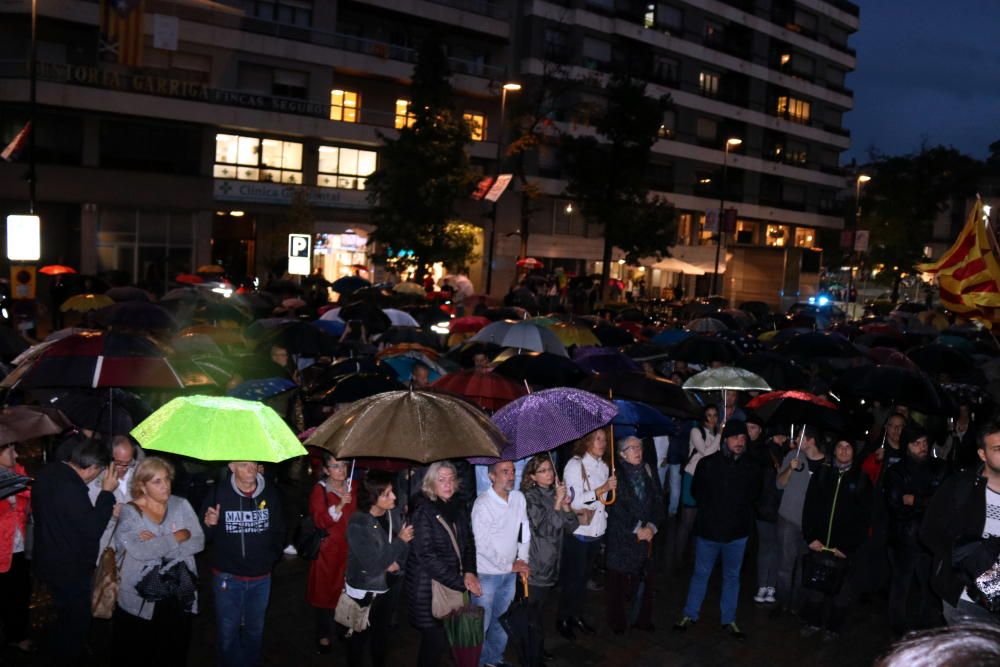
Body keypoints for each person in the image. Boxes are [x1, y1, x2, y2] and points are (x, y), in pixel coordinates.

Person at [32, 437, 117, 666]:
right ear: (91, 468)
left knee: (61, 615)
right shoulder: (73, 488)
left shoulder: (47, 473)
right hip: (70, 566)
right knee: (75, 621)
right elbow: (91, 529)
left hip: (47, 557)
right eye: (98, 472)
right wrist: (107, 494)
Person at [113, 457, 205, 666]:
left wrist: (158, 543)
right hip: (140, 598)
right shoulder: (130, 512)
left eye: (167, 479)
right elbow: (139, 551)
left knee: (173, 651)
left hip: (178, 592)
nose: (166, 486)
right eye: (157, 482)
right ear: (141, 486)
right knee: (139, 653)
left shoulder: (181, 505)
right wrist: (177, 537)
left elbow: (198, 541)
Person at [674, 420, 760, 640]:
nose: (739, 442)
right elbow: (696, 492)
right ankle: (689, 614)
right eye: (735, 438)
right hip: (709, 531)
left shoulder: (751, 466)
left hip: (737, 534)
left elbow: (754, 496)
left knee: (732, 577)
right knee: (700, 574)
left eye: (743, 438)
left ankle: (729, 619)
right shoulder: (708, 464)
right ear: (725, 440)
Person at [202, 461, 285, 667]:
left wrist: (269, 560)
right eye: (244, 465)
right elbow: (202, 538)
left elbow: (279, 530)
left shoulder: (270, 493)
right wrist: (208, 525)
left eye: (254, 464)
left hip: (261, 578)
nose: (251, 469)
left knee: (255, 630)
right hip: (227, 578)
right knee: (227, 631)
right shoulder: (217, 493)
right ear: (231, 467)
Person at [922, 420, 1000, 627]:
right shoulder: (960, 486)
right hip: (964, 597)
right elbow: (929, 532)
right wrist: (968, 559)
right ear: (982, 454)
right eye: (998, 449)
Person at [405, 461, 481, 667]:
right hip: (427, 590)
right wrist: (460, 582)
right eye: (441, 480)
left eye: (451, 479)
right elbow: (427, 557)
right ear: (430, 483)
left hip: (451, 585)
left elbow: (468, 544)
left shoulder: (459, 507)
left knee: (444, 641)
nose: (447, 484)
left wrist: (470, 572)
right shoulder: (423, 511)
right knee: (433, 643)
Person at [799, 439, 872, 639]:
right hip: (819, 544)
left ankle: (833, 627)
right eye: (840, 446)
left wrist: (848, 547)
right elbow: (809, 507)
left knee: (842, 592)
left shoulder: (862, 480)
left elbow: (864, 518)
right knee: (815, 588)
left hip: (844, 549)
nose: (843, 450)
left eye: (848, 447)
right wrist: (810, 537)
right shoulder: (822, 474)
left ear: (853, 452)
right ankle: (812, 622)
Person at [344, 471, 414, 667]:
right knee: (359, 634)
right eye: (386, 494)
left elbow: (403, 550)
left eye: (392, 491)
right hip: (366, 588)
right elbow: (373, 565)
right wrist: (400, 542)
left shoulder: (393, 513)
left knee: (381, 632)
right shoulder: (358, 524)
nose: (393, 497)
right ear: (373, 499)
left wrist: (397, 562)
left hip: (390, 585)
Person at [883, 424, 948, 634]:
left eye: (925, 443)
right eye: (916, 443)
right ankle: (897, 629)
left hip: (930, 540)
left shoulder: (938, 468)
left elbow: (945, 501)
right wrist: (927, 502)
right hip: (904, 539)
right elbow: (897, 506)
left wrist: (916, 500)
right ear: (907, 446)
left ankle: (925, 628)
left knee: (929, 587)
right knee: (900, 586)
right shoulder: (896, 472)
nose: (922, 447)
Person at [558, 428, 616, 640]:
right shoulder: (575, 465)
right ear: (587, 441)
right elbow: (574, 501)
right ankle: (563, 618)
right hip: (580, 531)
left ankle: (576, 615)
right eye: (597, 439)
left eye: (604, 439)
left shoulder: (603, 466)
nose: (602, 443)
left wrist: (608, 489)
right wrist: (601, 490)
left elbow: (605, 501)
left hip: (597, 530)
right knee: (573, 579)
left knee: (584, 579)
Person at [472, 461, 531, 667]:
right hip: (487, 574)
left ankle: (494, 659)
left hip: (510, 573)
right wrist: (510, 566)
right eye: (505, 472)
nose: (511, 476)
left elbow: (524, 530)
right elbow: (482, 546)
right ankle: (477, 662)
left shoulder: (518, 498)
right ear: (491, 476)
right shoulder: (482, 504)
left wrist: (522, 559)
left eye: (513, 471)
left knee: (502, 620)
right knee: (481, 625)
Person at [605, 436, 664, 634]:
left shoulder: (648, 469)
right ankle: (618, 622)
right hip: (622, 536)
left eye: (640, 446)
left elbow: (658, 500)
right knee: (619, 584)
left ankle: (643, 620)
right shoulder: (615, 475)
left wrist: (652, 526)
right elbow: (615, 509)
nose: (638, 451)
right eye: (632, 448)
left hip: (646, 536)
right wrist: (637, 527)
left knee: (646, 580)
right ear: (622, 453)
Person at [521, 454, 578, 661]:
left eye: (550, 469)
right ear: (532, 476)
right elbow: (545, 529)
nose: (549, 474)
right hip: (537, 563)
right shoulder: (529, 497)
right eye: (543, 471)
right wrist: (556, 502)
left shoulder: (556, 492)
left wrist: (565, 505)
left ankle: (536, 649)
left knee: (539, 612)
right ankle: (532, 655)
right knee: (532, 615)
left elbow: (572, 526)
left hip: (553, 561)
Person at [774, 425, 826, 615]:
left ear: (811, 440)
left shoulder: (826, 464)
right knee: (785, 565)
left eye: (800, 437)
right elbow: (779, 484)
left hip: (811, 525)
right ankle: (782, 603)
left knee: (804, 567)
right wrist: (790, 467)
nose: (796, 440)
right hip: (788, 518)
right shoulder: (793, 456)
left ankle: (796, 604)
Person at [309, 453, 356, 653]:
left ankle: (341, 628)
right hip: (328, 552)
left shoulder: (352, 486)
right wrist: (339, 505)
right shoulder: (320, 490)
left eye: (344, 465)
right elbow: (320, 521)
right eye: (335, 466)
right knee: (324, 594)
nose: (341, 470)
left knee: (345, 592)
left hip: (349, 549)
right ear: (326, 470)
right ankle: (323, 634)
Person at [674, 406, 720, 570]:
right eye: (709, 415)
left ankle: (695, 558)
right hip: (692, 477)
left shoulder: (716, 435)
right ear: (704, 417)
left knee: (700, 521)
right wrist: (720, 435)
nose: (712, 419)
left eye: (715, 415)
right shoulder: (696, 431)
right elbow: (706, 452)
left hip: (708, 480)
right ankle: (678, 559)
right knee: (687, 521)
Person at [0, 441, 31, 654]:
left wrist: (18, 501)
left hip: (19, 546)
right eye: (11, 450)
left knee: (19, 594)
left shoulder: (19, 471)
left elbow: (29, 499)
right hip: (1, 548)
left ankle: (17, 636)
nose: (16, 454)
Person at [748, 417, 783, 605]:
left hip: (777, 508)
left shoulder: (785, 453)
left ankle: (770, 586)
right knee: (767, 547)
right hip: (765, 506)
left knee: (773, 548)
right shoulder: (762, 451)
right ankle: (765, 585)